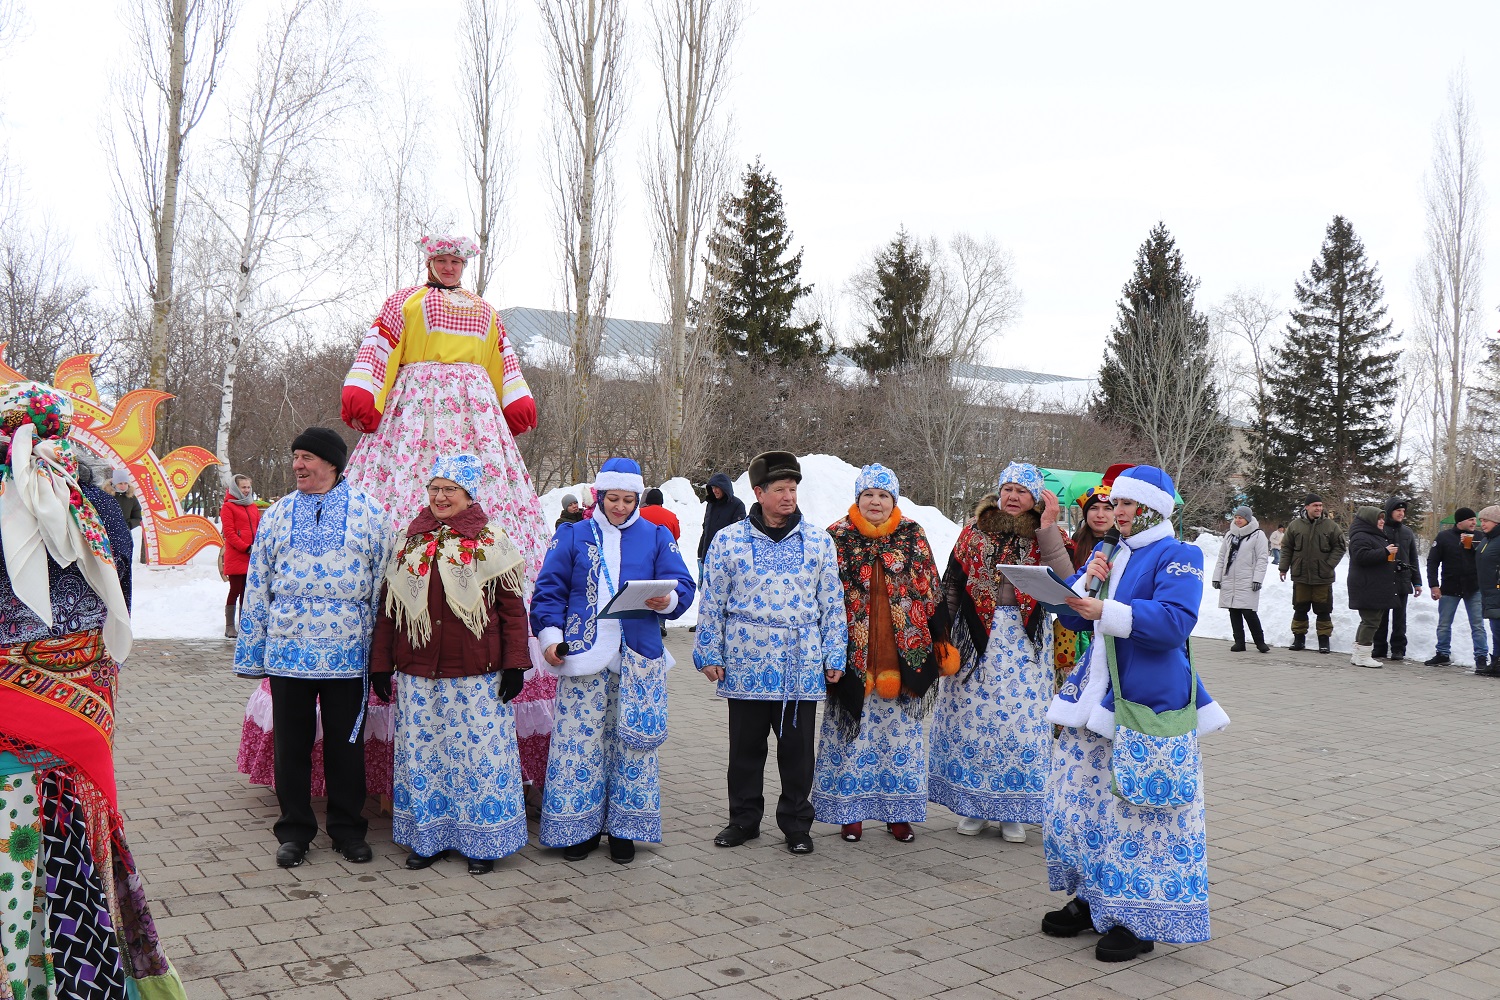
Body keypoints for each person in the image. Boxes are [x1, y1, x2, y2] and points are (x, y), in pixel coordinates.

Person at [338, 234, 556, 792]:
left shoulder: (485, 312)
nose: (450, 267)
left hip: (476, 414)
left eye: (458, 260)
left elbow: (504, 358)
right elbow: (379, 347)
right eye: (442, 260)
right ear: (429, 262)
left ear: (466, 265)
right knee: (406, 499)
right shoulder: (405, 302)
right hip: (414, 413)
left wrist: (515, 399)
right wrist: (365, 392)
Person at [0, 381, 188, 999]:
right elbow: (121, 618)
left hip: (10, 714)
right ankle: (90, 977)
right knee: (77, 840)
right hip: (85, 710)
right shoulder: (100, 510)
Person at [1043, 464, 1230, 963]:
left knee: (1141, 814)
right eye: (1113, 504)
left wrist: (1106, 611)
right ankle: (1092, 899)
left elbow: (1173, 624)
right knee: (1087, 804)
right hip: (1096, 699)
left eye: (1126, 505)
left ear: (1151, 508)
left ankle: (1140, 917)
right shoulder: (1109, 552)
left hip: (1146, 702)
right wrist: (1086, 580)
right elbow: (1069, 614)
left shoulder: (1179, 554)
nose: (1117, 513)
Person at [234, 427, 392, 867]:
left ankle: (346, 829)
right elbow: (259, 581)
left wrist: (380, 656)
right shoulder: (279, 513)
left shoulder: (370, 513)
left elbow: (384, 587)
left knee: (347, 746)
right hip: (288, 650)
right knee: (291, 746)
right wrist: (254, 649)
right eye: (295, 456)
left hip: (347, 651)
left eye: (307, 457)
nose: (297, 465)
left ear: (333, 464)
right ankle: (294, 831)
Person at [370, 455, 531, 874]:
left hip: (477, 672)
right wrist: (381, 665)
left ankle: (482, 840)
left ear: (468, 495)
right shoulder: (412, 542)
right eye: (434, 488)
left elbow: (513, 610)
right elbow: (390, 610)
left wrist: (516, 664)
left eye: (450, 490)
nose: (440, 497)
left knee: (477, 756)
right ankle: (430, 838)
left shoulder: (490, 539)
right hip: (417, 671)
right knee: (424, 756)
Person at [531, 458, 695, 864]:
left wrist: (669, 599)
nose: (620, 506)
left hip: (637, 657)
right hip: (583, 656)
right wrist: (551, 638)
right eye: (613, 498)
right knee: (578, 744)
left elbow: (685, 585)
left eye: (628, 499)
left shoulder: (656, 536)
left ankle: (625, 829)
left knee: (632, 746)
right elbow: (547, 593)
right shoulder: (572, 536)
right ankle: (578, 828)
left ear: (637, 498)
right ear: (599, 496)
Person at [694, 451, 847, 855]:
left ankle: (797, 823)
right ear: (759, 493)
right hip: (745, 661)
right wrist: (709, 651)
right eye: (779, 489)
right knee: (745, 750)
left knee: (797, 753)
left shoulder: (818, 541)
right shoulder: (728, 540)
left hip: (800, 662)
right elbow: (712, 601)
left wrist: (835, 654)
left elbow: (832, 603)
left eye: (793, 489)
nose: (788, 497)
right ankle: (743, 819)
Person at [928, 461, 1071, 844]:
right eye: (1007, 489)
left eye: (1022, 491)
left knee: (1020, 726)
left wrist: (1049, 527)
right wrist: (942, 636)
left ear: (1035, 498)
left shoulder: (1045, 534)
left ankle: (1014, 811)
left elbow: (1067, 576)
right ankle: (975, 806)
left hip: (1024, 644)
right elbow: (953, 583)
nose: (1012, 496)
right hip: (977, 641)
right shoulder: (974, 532)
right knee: (974, 722)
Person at [813, 464, 946, 844]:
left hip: (904, 653)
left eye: (883, 495)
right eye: (868, 495)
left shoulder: (912, 536)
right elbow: (821, 595)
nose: (875, 502)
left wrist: (940, 641)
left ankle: (898, 813)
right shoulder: (836, 536)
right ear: (858, 499)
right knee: (849, 736)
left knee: (900, 736)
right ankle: (849, 813)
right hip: (851, 652)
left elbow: (930, 587)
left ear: (894, 501)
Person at [1055, 485, 1115, 690]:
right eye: (1094, 508)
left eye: (1108, 508)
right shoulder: (1070, 545)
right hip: (1071, 629)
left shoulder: (1125, 548)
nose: (1100, 514)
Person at [1279, 493, 1346, 654]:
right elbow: (1287, 547)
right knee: (1300, 608)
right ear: (1306, 507)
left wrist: (1328, 565)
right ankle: (1298, 639)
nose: (1318, 508)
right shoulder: (1295, 525)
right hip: (1301, 575)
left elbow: (1340, 547)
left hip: (1322, 577)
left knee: (1323, 609)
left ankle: (1324, 640)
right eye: (1315, 505)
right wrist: (1283, 568)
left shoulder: (1330, 526)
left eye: (1320, 505)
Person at [1426, 508, 1488, 671]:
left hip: (1473, 588)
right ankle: (1443, 654)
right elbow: (1432, 562)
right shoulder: (1444, 537)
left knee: (1477, 625)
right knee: (1444, 624)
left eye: (1475, 520)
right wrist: (1434, 585)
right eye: (1470, 520)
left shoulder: (1481, 537)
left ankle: (1481, 657)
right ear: (1460, 521)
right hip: (1450, 587)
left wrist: (1474, 545)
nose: (1474, 522)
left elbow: (1488, 559)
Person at [1212, 505, 1269, 653]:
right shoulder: (1230, 535)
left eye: (1241, 518)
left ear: (1248, 519)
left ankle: (1260, 642)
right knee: (1233, 611)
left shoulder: (1257, 535)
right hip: (1230, 578)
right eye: (1236, 517)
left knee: (1248, 611)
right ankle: (1239, 642)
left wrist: (1258, 579)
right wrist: (1217, 577)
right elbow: (1222, 557)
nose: (1237, 520)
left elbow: (1262, 558)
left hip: (1247, 579)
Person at [1346, 506, 1398, 669]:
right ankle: (1363, 655)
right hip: (1366, 584)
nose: (1383, 521)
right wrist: (1384, 552)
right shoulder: (1361, 536)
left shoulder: (1372, 535)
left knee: (1368, 620)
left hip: (1372, 584)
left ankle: (1358, 653)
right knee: (1371, 620)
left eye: (1383, 518)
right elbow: (1360, 556)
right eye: (1379, 518)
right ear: (1370, 520)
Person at [1371, 498, 1422, 661]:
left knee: (1400, 617)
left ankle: (1398, 649)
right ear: (1390, 511)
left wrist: (1417, 582)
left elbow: (1413, 558)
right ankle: (1379, 647)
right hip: (1384, 580)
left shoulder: (1407, 532)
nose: (1401, 513)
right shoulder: (1380, 529)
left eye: (1403, 511)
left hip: (1402, 579)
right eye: (1398, 510)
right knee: (1381, 616)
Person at [221, 472, 262, 639]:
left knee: (247, 592)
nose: (246, 490)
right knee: (235, 590)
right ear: (235, 488)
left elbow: (259, 528)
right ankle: (229, 626)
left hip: (252, 555)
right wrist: (245, 547)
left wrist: (258, 546)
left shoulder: (252, 506)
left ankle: (244, 624)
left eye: (248, 487)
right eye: (243, 487)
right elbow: (229, 533)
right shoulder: (228, 507)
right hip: (238, 555)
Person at [698, 472, 747, 581]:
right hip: (707, 557)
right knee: (705, 591)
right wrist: (701, 553)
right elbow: (706, 530)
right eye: (713, 487)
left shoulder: (737, 505)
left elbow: (739, 534)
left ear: (725, 488)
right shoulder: (711, 504)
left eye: (717, 488)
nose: (714, 490)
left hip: (726, 560)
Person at [1474, 506, 1500, 677]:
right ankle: (1496, 662)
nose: (1482, 523)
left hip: (1497, 590)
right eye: (1481, 520)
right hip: (1488, 592)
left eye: (1486, 520)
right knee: (1495, 628)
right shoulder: (1486, 540)